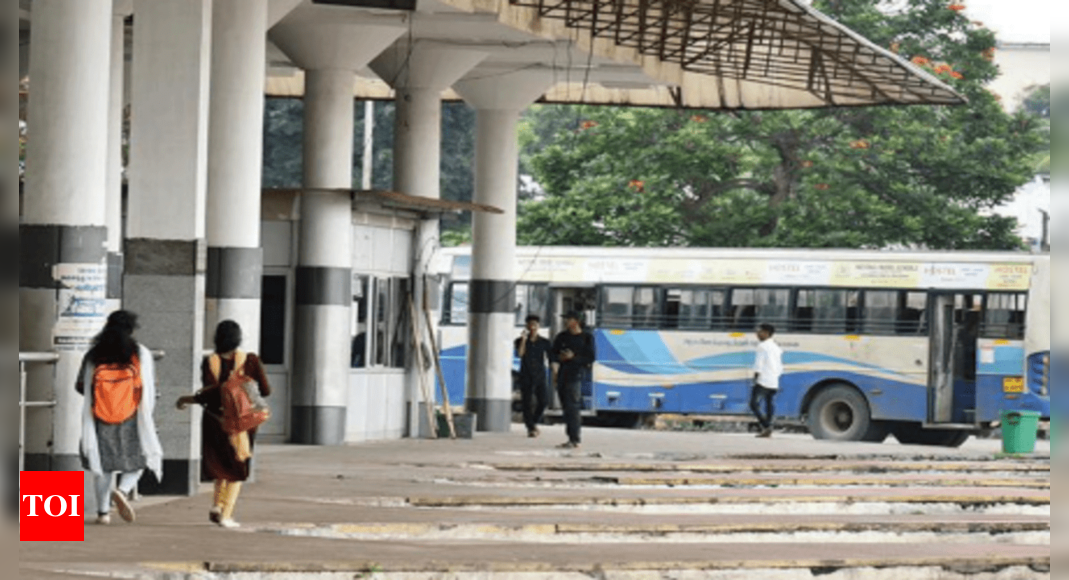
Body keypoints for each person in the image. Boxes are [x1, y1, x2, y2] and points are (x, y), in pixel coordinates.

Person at [176, 320, 271, 529]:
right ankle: (226, 514)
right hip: (243, 424)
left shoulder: (210, 361)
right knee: (238, 468)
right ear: (238, 338)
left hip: (214, 420)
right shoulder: (251, 361)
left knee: (221, 466)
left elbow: (208, 394)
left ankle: (217, 505)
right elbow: (265, 390)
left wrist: (189, 399)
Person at [76, 310, 164, 525]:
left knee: (103, 466)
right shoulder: (140, 353)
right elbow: (150, 385)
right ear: (131, 329)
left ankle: (103, 513)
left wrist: (104, 398)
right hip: (132, 416)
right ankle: (123, 491)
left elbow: (80, 386)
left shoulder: (94, 354)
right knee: (142, 458)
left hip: (99, 417)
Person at [551, 311, 595, 449]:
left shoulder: (586, 338)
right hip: (562, 374)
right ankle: (570, 437)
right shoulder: (562, 337)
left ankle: (575, 439)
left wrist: (573, 357)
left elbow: (590, 357)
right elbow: (553, 354)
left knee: (573, 407)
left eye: (568, 319)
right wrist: (555, 367)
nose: (565, 322)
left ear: (576, 321)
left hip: (576, 375)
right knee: (566, 408)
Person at [515, 315, 553, 438]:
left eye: (535, 325)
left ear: (538, 327)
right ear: (526, 326)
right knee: (527, 402)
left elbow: (551, 358)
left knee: (543, 401)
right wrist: (524, 339)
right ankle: (530, 427)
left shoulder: (545, 342)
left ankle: (534, 422)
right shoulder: (519, 341)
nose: (532, 328)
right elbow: (520, 354)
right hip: (526, 374)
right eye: (530, 325)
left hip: (540, 375)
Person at [750, 323, 784, 439]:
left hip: (763, 380)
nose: (757, 334)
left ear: (766, 333)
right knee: (769, 404)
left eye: (759, 332)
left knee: (753, 404)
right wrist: (776, 376)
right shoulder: (776, 347)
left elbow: (759, 364)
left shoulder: (762, 346)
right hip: (774, 380)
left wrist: (755, 378)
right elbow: (780, 367)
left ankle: (766, 425)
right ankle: (768, 428)